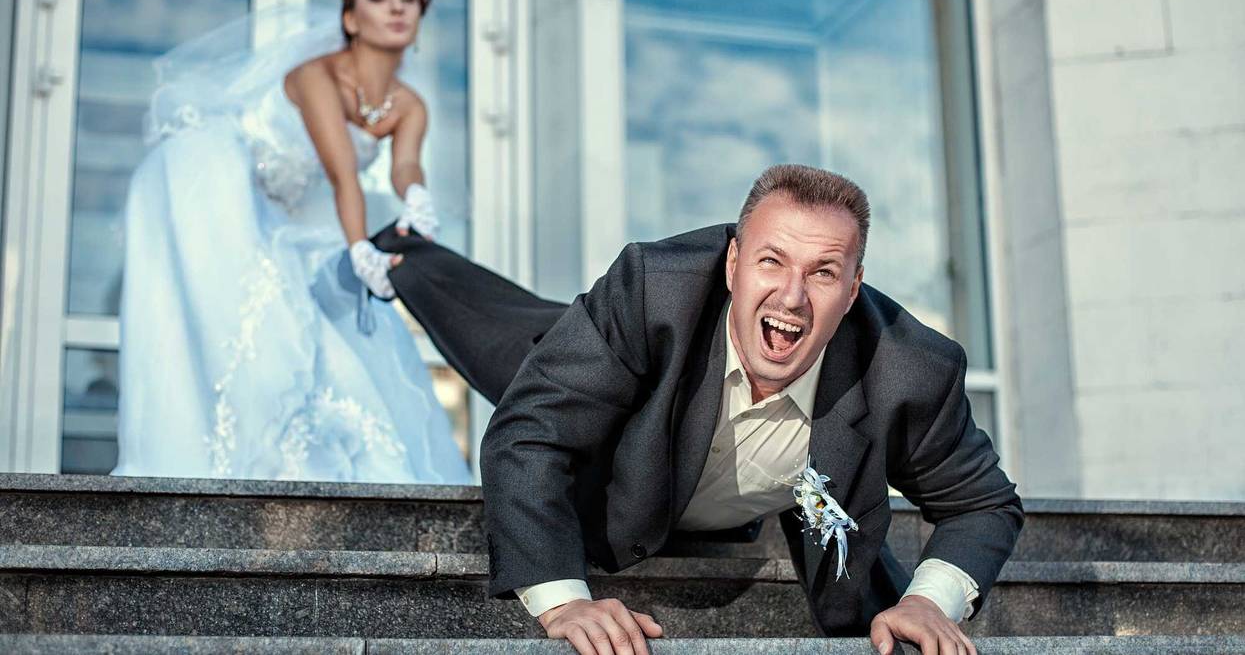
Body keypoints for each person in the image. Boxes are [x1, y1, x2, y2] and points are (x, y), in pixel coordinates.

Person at [376, 164, 1023, 654]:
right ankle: (404, 251)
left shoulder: (909, 370)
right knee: (487, 321)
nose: (791, 297)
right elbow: (529, 438)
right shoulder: (652, 292)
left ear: (853, 290)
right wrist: (563, 602)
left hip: (707, 497)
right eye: (771, 260)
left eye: (823, 272)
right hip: (608, 399)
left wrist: (929, 602)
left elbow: (983, 503)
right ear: (733, 263)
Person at [114, 0, 471, 484]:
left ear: (420, 15)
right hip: (212, 179)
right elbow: (343, 174)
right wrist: (359, 248)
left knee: (326, 329)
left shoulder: (409, 104)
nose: (396, 9)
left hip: (283, 210)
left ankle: (294, 468)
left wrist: (416, 195)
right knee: (255, 320)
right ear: (350, 19)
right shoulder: (317, 75)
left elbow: (404, 164)